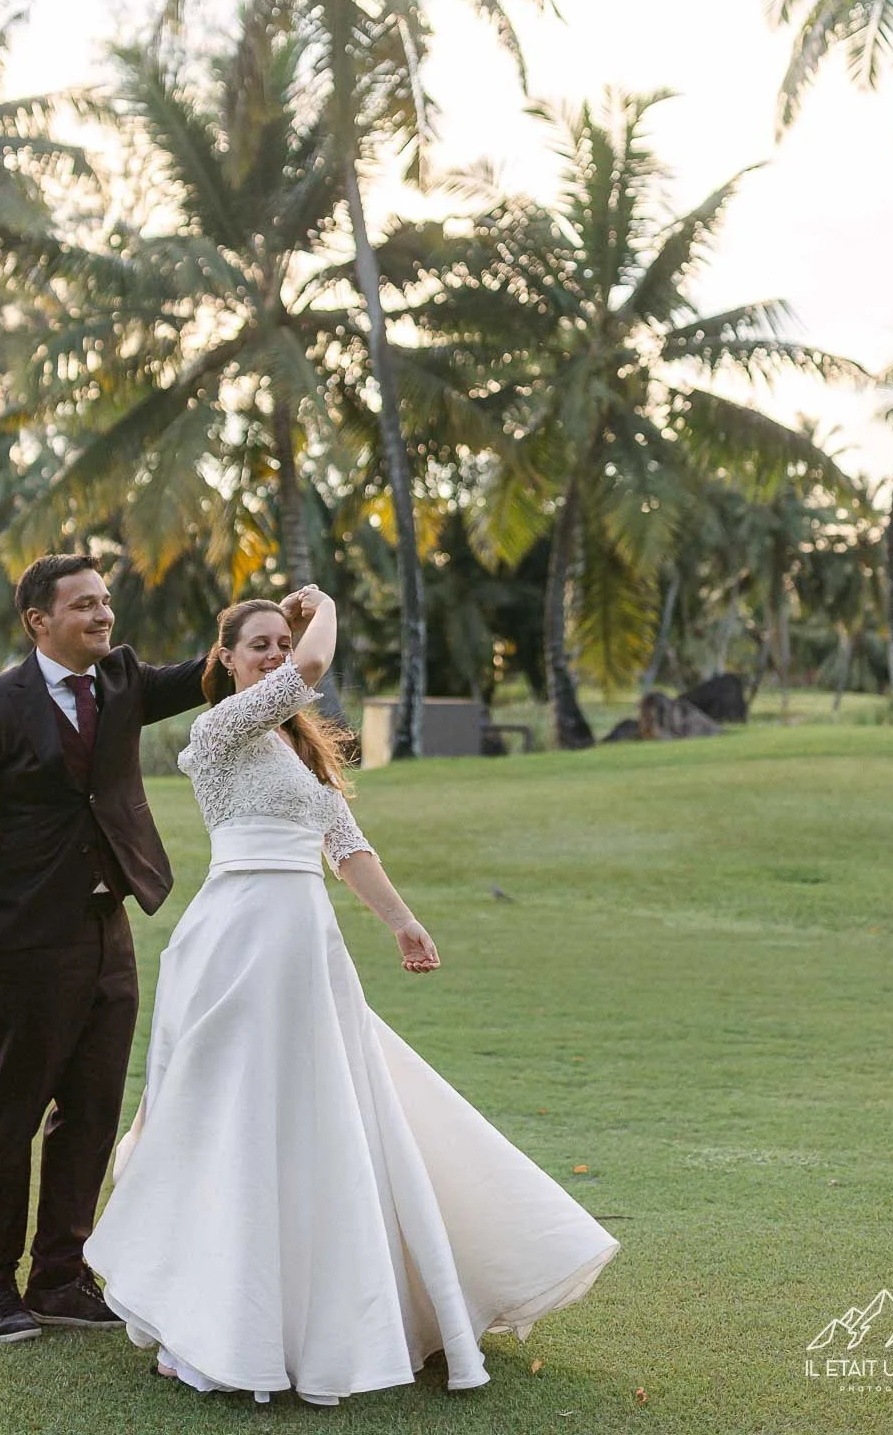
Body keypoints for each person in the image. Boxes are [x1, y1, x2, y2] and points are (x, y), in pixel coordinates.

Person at [84, 584, 621, 1405]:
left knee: (324, 1112)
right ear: (224, 660)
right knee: (233, 1113)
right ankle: (213, 1317)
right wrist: (319, 608)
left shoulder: (300, 756)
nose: (270, 654)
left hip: (307, 942)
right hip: (238, 937)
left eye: (275, 641)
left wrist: (403, 923)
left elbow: (346, 846)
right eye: (254, 644)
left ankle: (335, 1314)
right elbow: (313, 664)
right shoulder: (217, 731)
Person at [0, 553, 244, 1343]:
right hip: (22, 939)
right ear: (40, 621)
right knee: (12, 1113)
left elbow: (216, 674)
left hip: (109, 933)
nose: (104, 616)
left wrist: (278, 631)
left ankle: (60, 1277)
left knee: (94, 1109)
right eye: (84, 606)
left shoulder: (123, 682)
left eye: (106, 602)